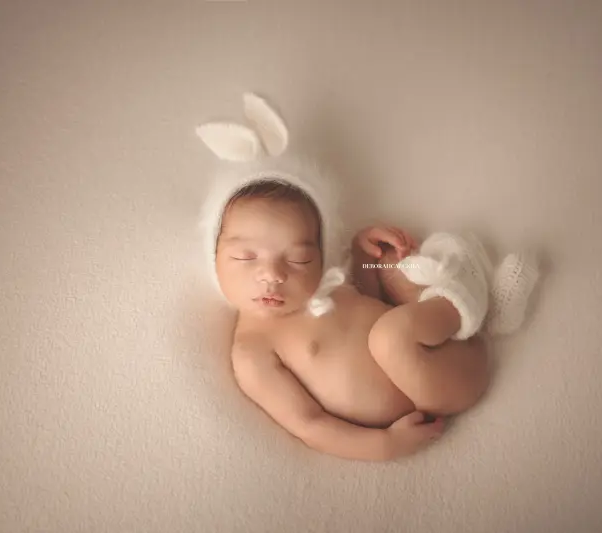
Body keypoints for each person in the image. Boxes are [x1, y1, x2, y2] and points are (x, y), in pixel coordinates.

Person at [196, 94, 539, 462]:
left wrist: (364, 256)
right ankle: (480, 307)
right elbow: (308, 423)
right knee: (389, 338)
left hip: (440, 345)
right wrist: (384, 445)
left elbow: (372, 301)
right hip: (439, 386)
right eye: (245, 257)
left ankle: (482, 309)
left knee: (389, 265)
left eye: (299, 259)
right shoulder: (253, 351)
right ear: (213, 257)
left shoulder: (326, 286)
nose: (272, 275)